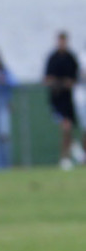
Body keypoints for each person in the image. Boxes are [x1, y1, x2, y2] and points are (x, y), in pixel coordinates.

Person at [44, 31, 84, 170]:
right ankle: (70, 153)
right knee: (66, 127)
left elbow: (76, 78)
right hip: (56, 99)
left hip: (69, 100)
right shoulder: (53, 58)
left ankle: (67, 156)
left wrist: (69, 82)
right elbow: (47, 79)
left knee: (68, 129)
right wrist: (59, 83)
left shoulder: (71, 58)